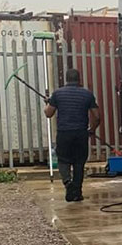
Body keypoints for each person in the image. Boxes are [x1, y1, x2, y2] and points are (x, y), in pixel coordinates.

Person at [44, 69, 100, 202]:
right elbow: (97, 117)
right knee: (79, 162)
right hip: (81, 133)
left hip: (64, 133)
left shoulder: (57, 94)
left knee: (63, 160)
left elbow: (48, 113)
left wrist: (48, 103)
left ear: (66, 79)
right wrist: (91, 130)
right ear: (79, 79)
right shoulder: (87, 94)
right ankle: (77, 191)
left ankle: (68, 183)